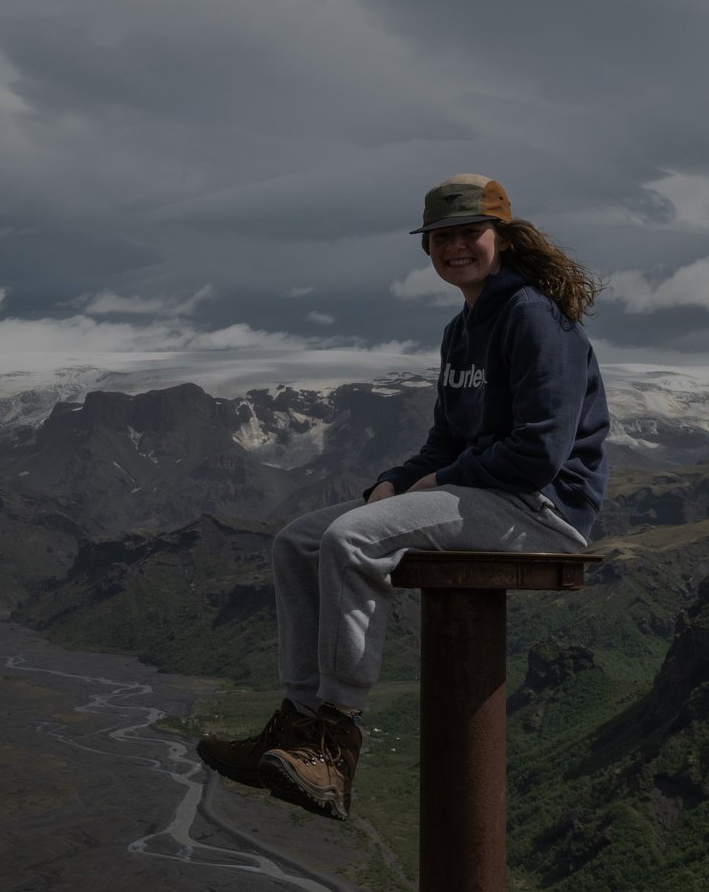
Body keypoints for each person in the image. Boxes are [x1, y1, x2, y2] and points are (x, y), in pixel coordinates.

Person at [196, 174, 609, 821]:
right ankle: (297, 724)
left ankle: (335, 741)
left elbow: (539, 454)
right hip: (484, 496)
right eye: (440, 237)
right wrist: (393, 480)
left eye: (468, 232)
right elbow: (445, 439)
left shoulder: (533, 316)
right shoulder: (462, 329)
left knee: (352, 537)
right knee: (299, 539)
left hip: (543, 510)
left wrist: (441, 481)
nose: (454, 247)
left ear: (500, 235)